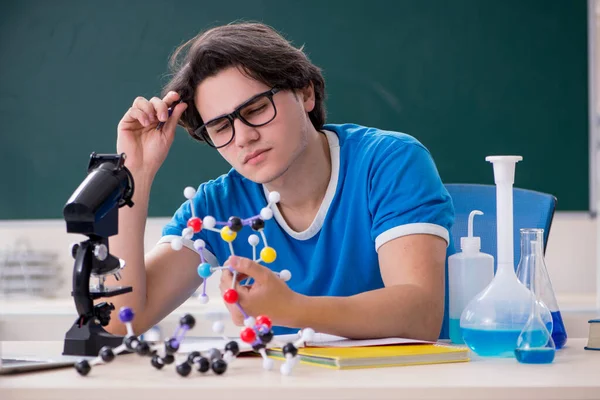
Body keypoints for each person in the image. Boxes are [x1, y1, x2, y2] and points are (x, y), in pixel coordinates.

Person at [104, 22, 455, 341]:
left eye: (256, 110)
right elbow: (118, 321)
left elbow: (421, 314)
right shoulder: (215, 207)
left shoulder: (388, 162)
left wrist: (289, 308)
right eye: (222, 128)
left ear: (305, 94)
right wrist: (134, 175)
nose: (242, 138)